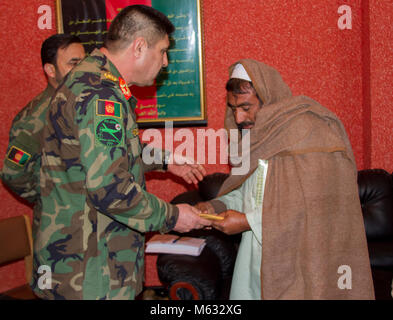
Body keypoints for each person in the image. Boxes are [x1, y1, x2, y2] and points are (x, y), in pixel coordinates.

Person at [34, 5, 211, 300]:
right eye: (163, 51)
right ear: (139, 46)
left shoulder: (94, 79)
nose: (165, 62)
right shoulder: (101, 96)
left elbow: (114, 150)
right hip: (90, 270)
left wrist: (166, 161)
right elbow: (110, 190)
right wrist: (174, 216)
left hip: (81, 262)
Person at [199, 59, 375, 299]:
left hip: (302, 262)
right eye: (233, 109)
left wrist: (248, 222)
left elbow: (319, 205)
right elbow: (249, 192)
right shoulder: (256, 140)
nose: (238, 119)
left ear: (268, 99)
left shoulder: (310, 131)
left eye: (246, 107)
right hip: (254, 259)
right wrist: (217, 206)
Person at [1, 34, 85, 208]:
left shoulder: (80, 104)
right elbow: (12, 173)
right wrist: (51, 197)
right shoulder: (38, 117)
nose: (83, 69)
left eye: (85, 62)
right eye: (73, 63)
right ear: (51, 70)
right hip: (60, 226)